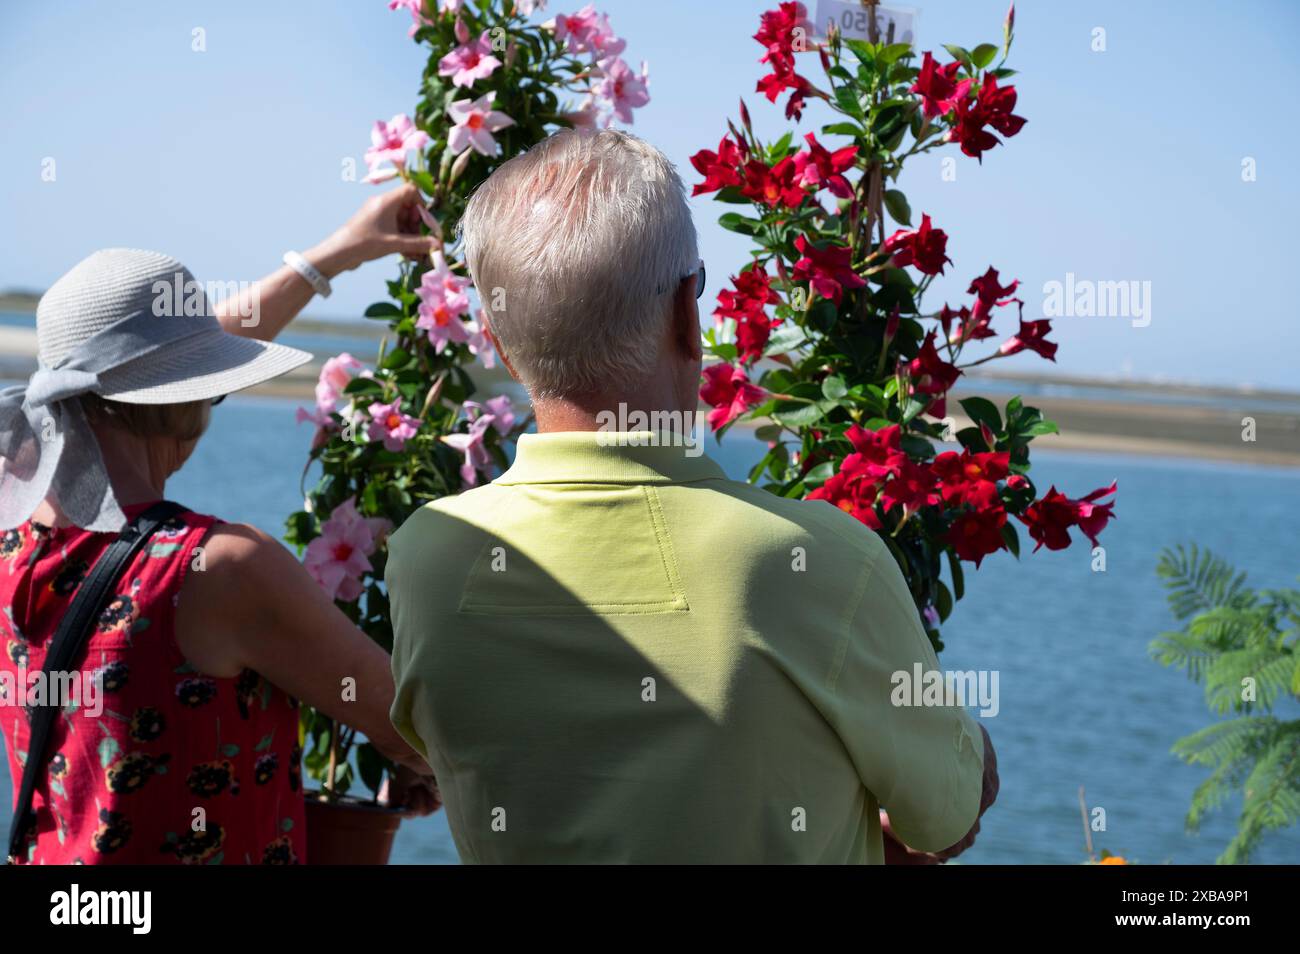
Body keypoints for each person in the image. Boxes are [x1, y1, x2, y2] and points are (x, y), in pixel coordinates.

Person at [385, 129, 997, 864]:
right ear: (686, 310)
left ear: (500, 341)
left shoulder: (425, 557)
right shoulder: (825, 562)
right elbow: (949, 817)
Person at [0, 186, 438, 865]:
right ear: (185, 402)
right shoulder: (218, 568)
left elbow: (135, 364)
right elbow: (415, 722)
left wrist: (336, 254)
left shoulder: (13, 537)